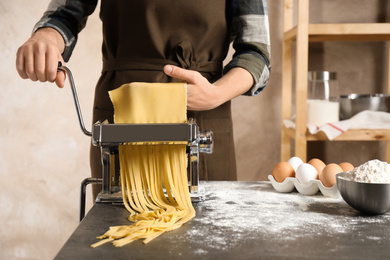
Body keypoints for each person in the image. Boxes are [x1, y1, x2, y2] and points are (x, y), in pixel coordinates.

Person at [16, 0, 271, 199]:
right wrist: (45, 38)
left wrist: (216, 93)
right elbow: (64, 14)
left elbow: (256, 54)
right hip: (121, 117)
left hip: (201, 116)